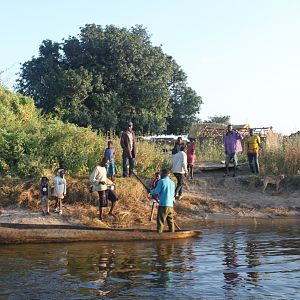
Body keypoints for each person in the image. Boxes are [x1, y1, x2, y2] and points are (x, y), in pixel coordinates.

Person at [149, 169, 176, 233]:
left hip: (163, 204)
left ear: (163, 174)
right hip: (170, 205)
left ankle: (159, 233)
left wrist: (150, 191)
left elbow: (156, 191)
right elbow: (173, 194)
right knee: (170, 220)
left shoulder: (161, 181)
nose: (160, 175)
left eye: (161, 173)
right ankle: (172, 233)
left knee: (160, 220)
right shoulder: (172, 183)